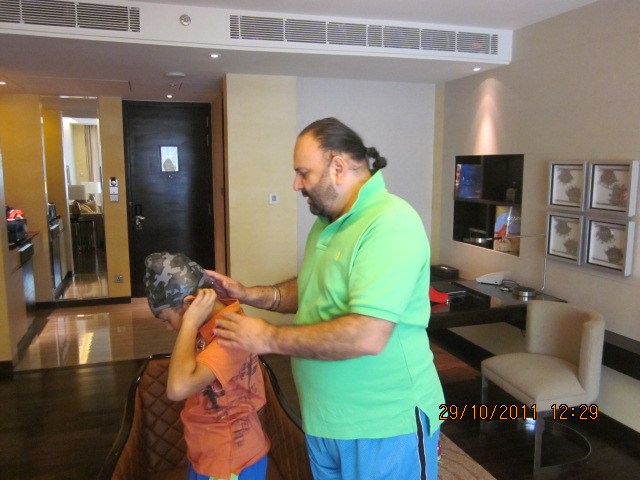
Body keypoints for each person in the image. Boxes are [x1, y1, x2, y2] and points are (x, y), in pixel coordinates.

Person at [210, 117, 445, 480]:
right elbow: (314, 288)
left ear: (338, 167)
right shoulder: (328, 221)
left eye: (303, 172)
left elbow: (367, 334)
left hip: (384, 425)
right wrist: (250, 294)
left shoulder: (390, 223)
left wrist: (266, 337)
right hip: (326, 422)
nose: (295, 184)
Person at [143, 252, 270, 480]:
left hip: (230, 461)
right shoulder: (211, 324)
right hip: (208, 453)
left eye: (166, 319)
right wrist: (192, 322)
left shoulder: (230, 334)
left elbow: (178, 389)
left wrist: (189, 323)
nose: (169, 328)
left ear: (190, 304)